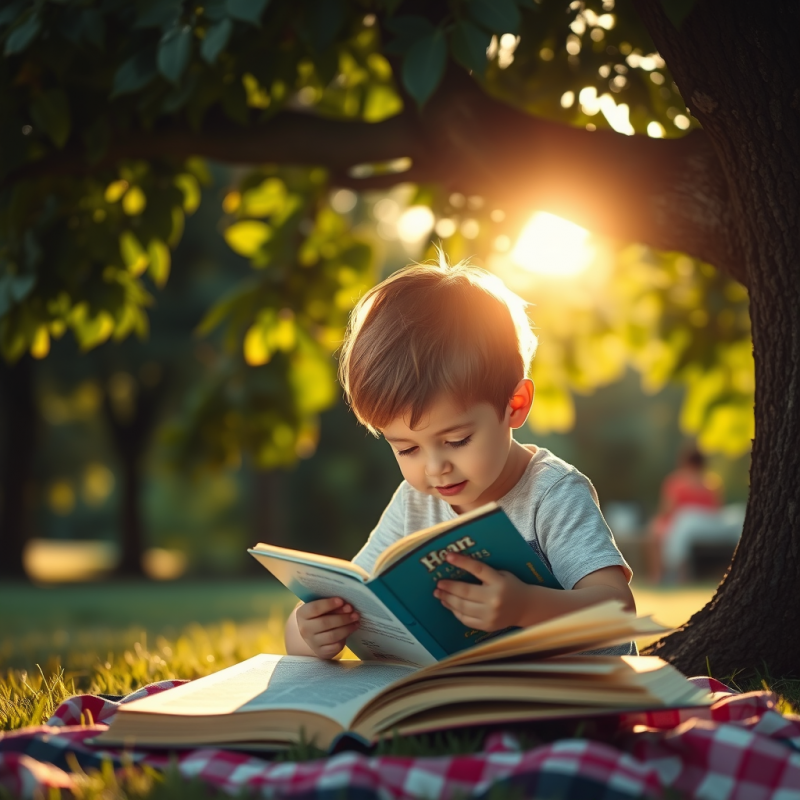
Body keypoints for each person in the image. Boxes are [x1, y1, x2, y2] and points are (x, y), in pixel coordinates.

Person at [284, 255, 636, 659]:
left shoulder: (551, 494)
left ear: (515, 405)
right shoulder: (413, 505)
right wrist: (308, 629)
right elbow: (359, 591)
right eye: (407, 449)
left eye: (456, 440)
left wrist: (525, 607)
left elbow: (618, 610)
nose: (435, 468)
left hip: (580, 700)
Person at [646, 444, 723, 584]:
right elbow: (717, 509)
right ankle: (678, 576)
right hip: (707, 526)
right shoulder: (712, 483)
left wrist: (657, 519)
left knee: (655, 531)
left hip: (680, 524)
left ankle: (659, 576)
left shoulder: (677, 482)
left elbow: (667, 508)